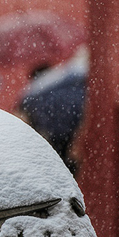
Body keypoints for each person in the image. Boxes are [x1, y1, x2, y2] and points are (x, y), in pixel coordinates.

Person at [15, 46, 88, 175]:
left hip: (53, 132)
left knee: (57, 160)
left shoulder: (36, 92)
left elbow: (25, 113)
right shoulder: (72, 79)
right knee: (67, 160)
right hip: (73, 127)